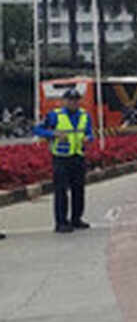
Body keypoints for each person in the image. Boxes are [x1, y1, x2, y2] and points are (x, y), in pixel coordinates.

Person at [33, 88, 94, 232]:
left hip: (78, 156)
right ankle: (61, 222)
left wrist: (88, 138)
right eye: (70, 100)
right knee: (61, 191)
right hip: (61, 158)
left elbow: (89, 132)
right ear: (64, 101)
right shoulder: (55, 115)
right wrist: (53, 134)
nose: (73, 103)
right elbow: (37, 129)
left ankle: (76, 219)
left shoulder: (85, 115)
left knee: (78, 190)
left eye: (76, 100)